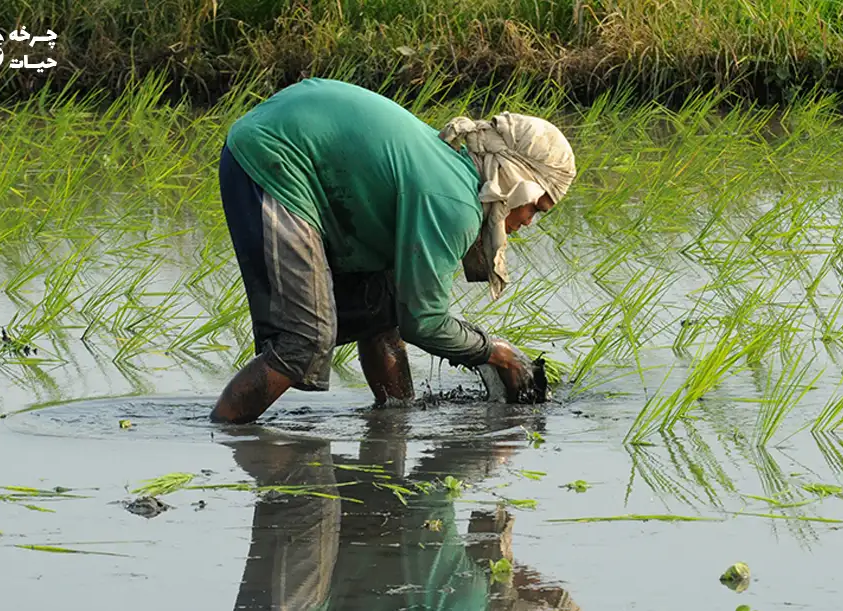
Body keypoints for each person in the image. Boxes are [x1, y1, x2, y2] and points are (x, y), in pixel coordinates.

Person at [209, 78, 576, 423]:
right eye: (535, 208)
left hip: (299, 137)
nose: (528, 222)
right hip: (273, 153)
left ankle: (395, 422)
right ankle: (224, 435)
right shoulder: (454, 202)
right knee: (303, 341)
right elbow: (424, 322)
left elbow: (402, 317)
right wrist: (499, 353)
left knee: (380, 314)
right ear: (517, 183)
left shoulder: (452, 171)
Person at [224, 411, 584, 611]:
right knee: (376, 486)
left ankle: (228, 419)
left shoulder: (464, 606)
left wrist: (503, 439)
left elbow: (426, 497)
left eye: (542, 590)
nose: (533, 575)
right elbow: (392, 510)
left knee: (302, 471)